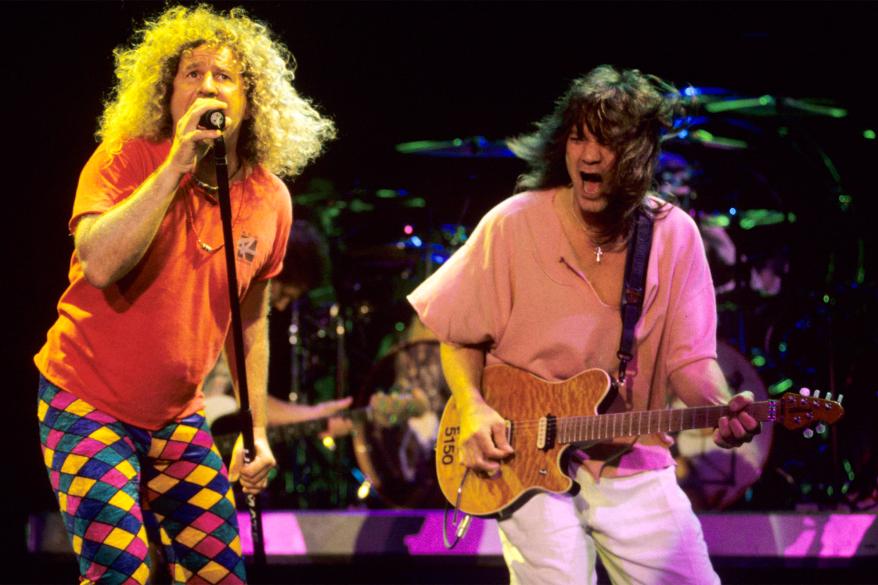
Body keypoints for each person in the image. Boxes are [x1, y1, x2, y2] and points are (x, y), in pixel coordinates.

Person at [408, 65, 760, 584]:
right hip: (524, 459)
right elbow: (458, 334)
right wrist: (473, 407)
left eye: (608, 143)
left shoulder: (674, 235)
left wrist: (718, 408)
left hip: (634, 457)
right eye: (578, 138)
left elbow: (691, 359)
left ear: (640, 154)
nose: (589, 156)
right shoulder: (512, 223)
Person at [33, 5, 335, 582]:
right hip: (86, 400)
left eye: (224, 75)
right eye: (191, 74)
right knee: (123, 569)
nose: (207, 86)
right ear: (167, 94)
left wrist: (258, 431)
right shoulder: (126, 159)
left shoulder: (270, 198)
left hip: (176, 419)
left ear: (252, 99)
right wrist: (175, 166)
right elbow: (98, 263)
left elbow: (250, 321)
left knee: (219, 573)